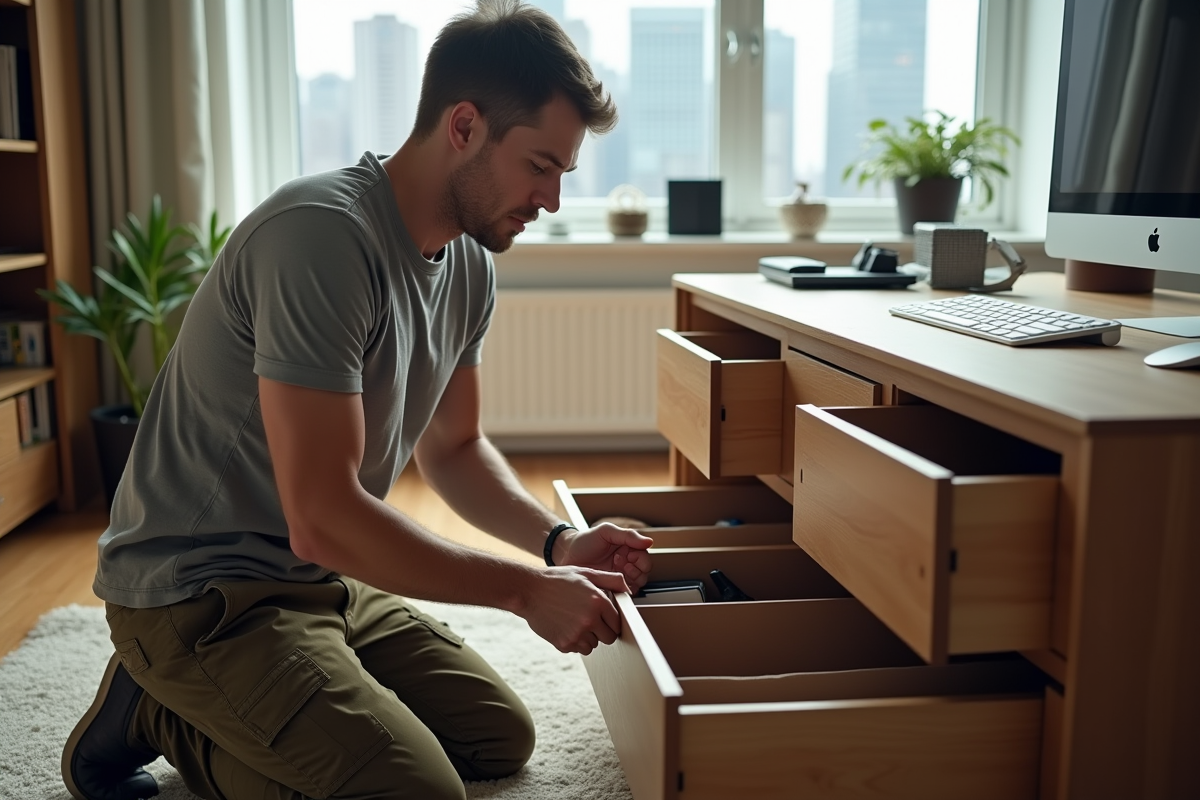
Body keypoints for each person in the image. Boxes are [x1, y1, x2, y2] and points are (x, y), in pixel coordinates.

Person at [61, 3, 652, 799]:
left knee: (496, 738)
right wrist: (521, 591)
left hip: (319, 572)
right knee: (415, 791)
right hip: (199, 589)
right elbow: (322, 513)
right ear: (465, 126)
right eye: (540, 166)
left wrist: (557, 545)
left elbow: (454, 450)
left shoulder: (469, 264)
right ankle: (155, 708)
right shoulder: (320, 237)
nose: (550, 198)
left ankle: (243, 693)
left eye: (563, 174)